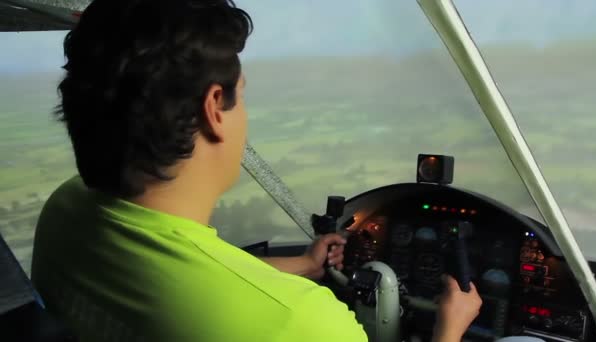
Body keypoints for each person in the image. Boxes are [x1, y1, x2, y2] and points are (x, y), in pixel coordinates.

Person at [31, 0, 482, 341]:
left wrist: (305, 264)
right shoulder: (301, 323)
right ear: (213, 109)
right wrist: (449, 329)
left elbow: (194, 271)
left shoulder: (66, 210)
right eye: (240, 95)